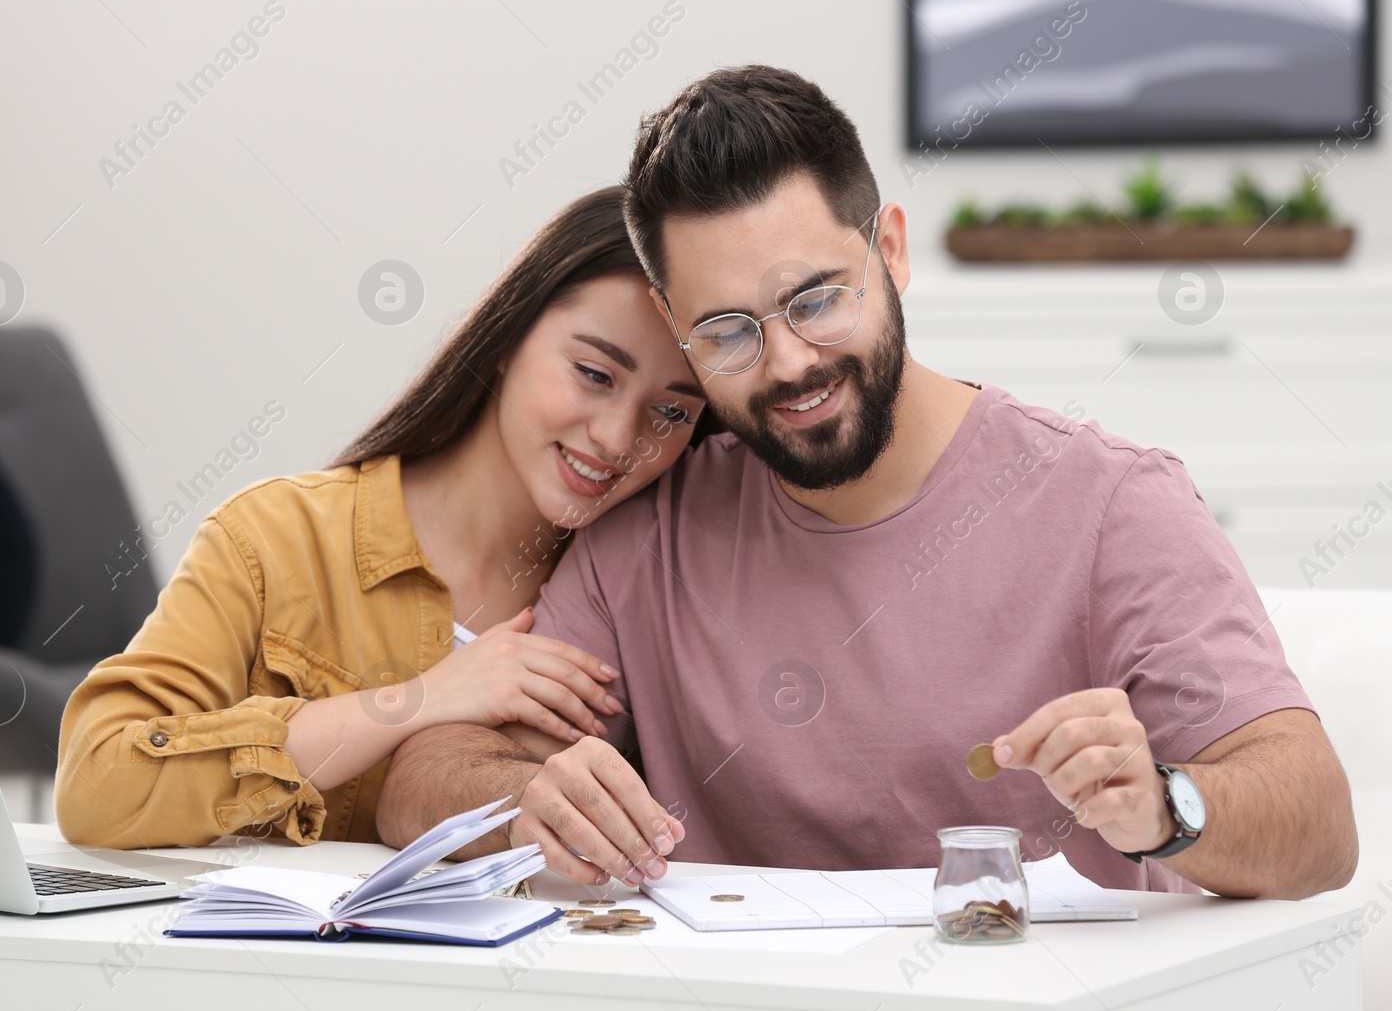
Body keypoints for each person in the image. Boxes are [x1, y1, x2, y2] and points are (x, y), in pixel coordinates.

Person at [375, 66, 1358, 899]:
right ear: (678, 329)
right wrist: (522, 806)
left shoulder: (1111, 505)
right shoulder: (646, 532)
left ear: (888, 250)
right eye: (726, 330)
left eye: (815, 298)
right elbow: (422, 776)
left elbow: (1317, 824)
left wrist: (1166, 802)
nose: (788, 361)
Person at [55, 186, 708, 848]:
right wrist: (416, 699)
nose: (620, 438)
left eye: (674, 411)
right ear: (508, 334)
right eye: (595, 373)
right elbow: (98, 783)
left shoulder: (636, 594)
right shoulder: (278, 538)